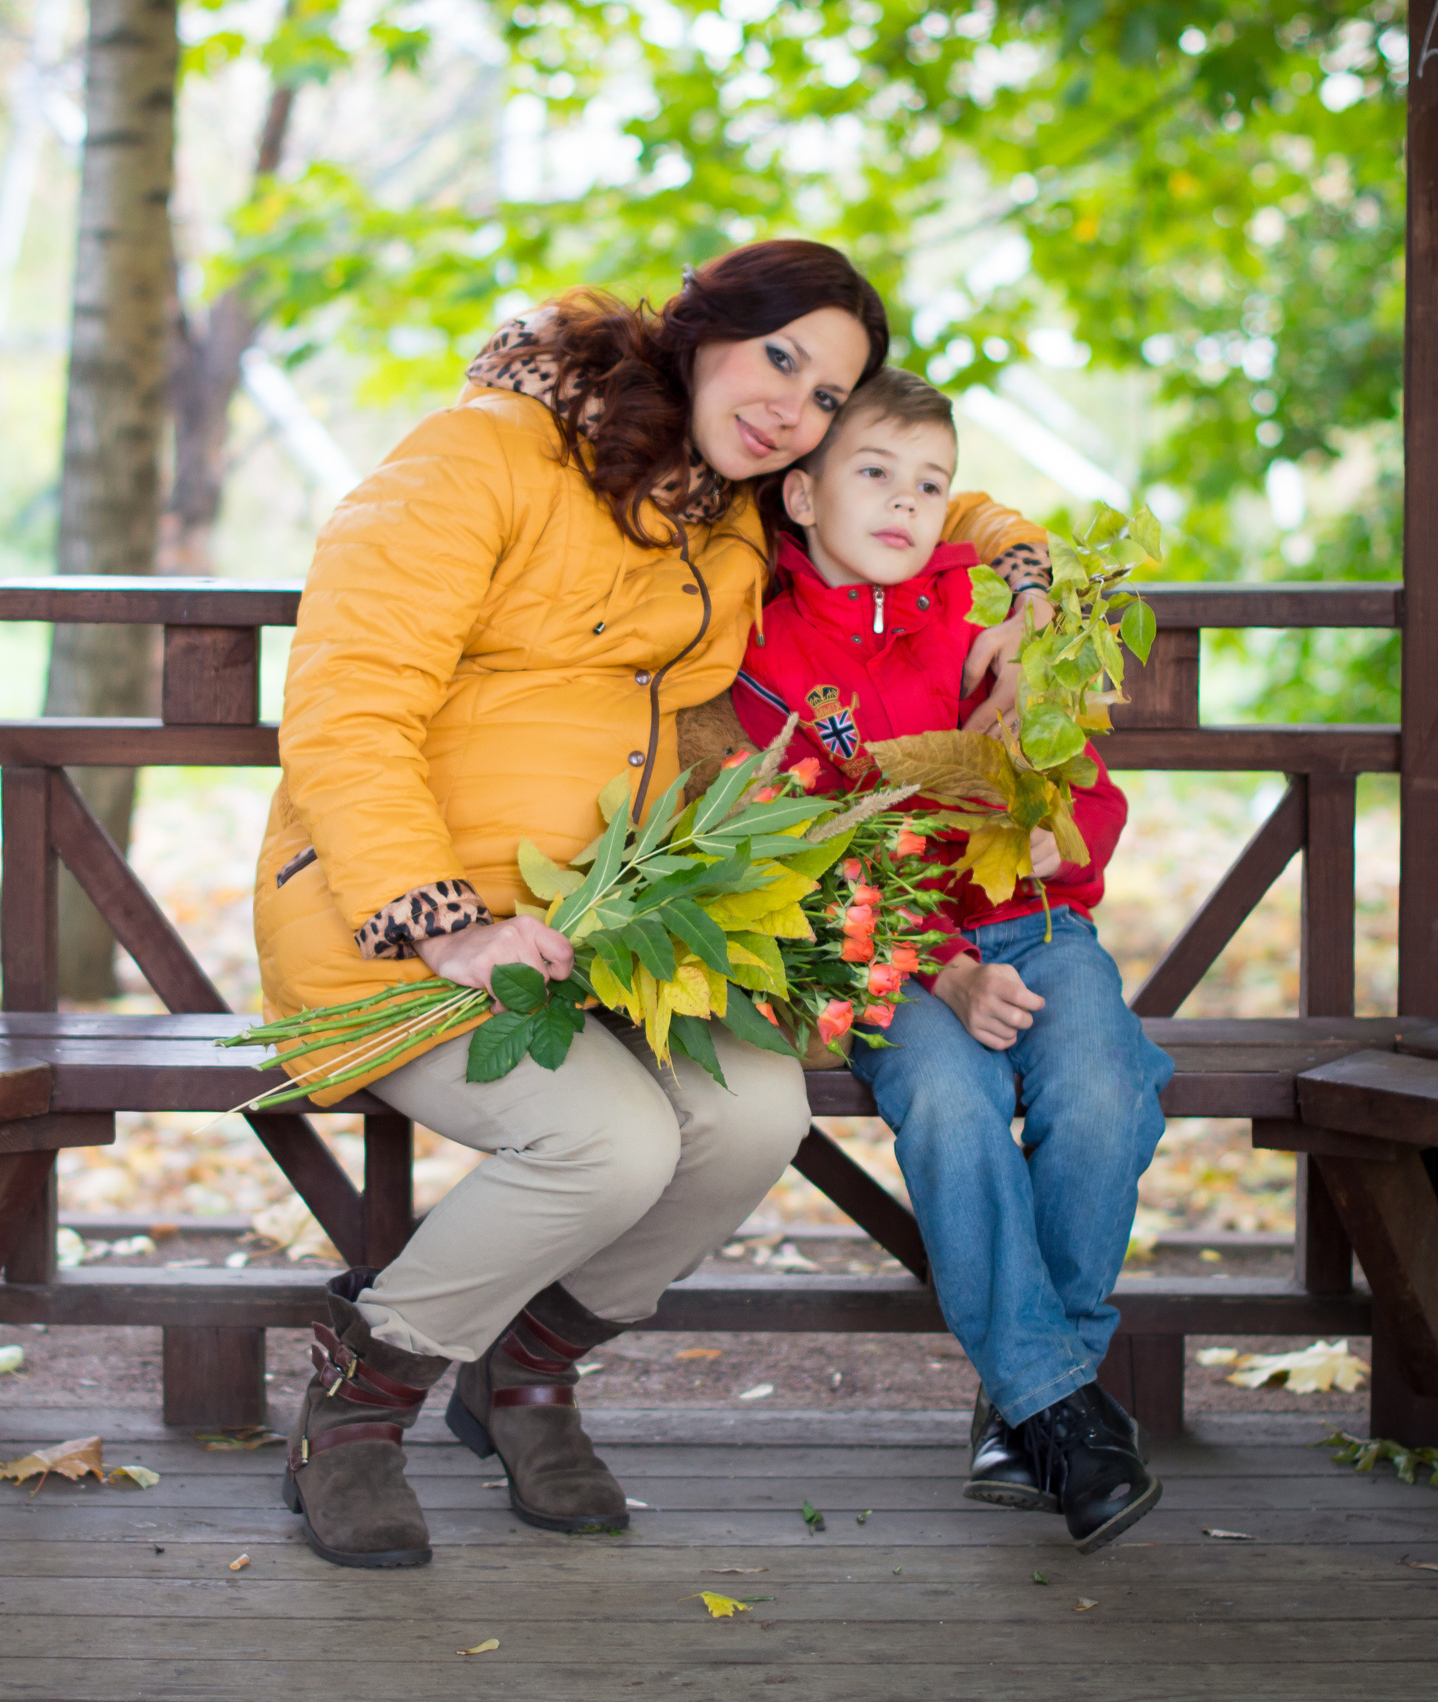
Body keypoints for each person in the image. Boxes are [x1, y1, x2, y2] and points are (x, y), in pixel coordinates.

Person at [252, 241, 1051, 1570]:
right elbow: (347, 710)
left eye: (826, 393)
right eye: (779, 356)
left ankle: (525, 1372)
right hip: (389, 916)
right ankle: (361, 1402)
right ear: (701, 330)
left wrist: (1025, 589)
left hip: (608, 926)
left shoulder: (730, 514)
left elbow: (946, 506)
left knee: (754, 1116)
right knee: (611, 1143)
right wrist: (445, 919)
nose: (794, 404)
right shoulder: (481, 456)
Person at [725, 366, 1173, 1555]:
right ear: (803, 496)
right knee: (950, 1104)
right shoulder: (769, 648)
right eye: (872, 474)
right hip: (897, 961)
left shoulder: (993, 613)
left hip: (1037, 924)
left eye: (929, 484)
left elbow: (1089, 799)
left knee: (1102, 1086)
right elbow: (811, 863)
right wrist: (945, 972)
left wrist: (1049, 801)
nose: (903, 502)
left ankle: (1027, 1403)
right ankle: (1061, 1409)